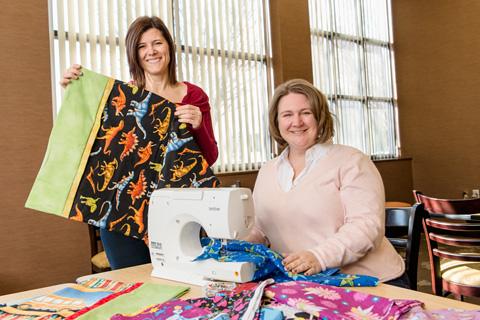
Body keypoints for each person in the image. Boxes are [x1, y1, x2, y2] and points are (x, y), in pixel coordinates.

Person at [61, 16, 218, 270]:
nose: (151, 51)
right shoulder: (122, 97)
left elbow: (209, 158)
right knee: (133, 285)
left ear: (169, 47)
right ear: (134, 54)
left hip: (181, 212)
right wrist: (73, 90)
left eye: (157, 43)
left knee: (185, 283)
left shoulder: (194, 96)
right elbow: (89, 145)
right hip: (123, 213)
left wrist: (199, 126)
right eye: (142, 46)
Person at [246, 79, 408, 287]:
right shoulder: (267, 171)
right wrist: (229, 245)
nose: (297, 122)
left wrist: (319, 257)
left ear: (320, 116)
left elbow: (365, 227)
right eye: (287, 115)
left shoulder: (352, 161)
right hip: (305, 283)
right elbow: (261, 230)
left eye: (306, 112)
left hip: (370, 281)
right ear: (276, 122)